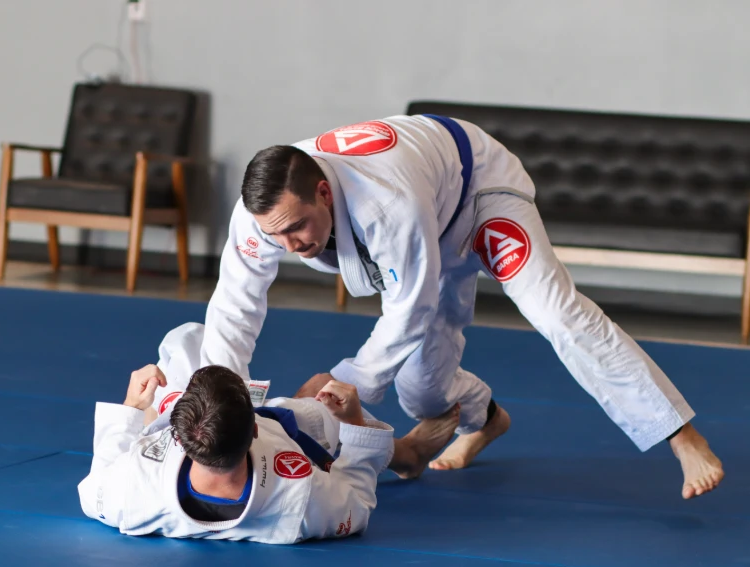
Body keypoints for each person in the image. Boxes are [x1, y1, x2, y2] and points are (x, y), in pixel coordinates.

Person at [198, 114, 724, 500]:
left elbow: (409, 306)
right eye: (277, 234)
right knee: (422, 392)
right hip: (420, 226)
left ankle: (681, 435)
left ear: (324, 192)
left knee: (556, 312)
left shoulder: (384, 202)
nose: (289, 245)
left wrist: (345, 378)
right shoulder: (261, 216)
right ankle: (487, 418)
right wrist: (215, 394)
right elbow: (235, 305)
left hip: (477, 196)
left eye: (298, 228)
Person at [77, 323, 460, 544]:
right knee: (324, 387)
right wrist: (356, 424)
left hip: (193, 447)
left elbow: (95, 485)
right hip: (294, 439)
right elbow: (358, 504)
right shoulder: (302, 498)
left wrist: (131, 405)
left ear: (181, 438)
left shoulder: (129, 495)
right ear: (255, 428)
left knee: (184, 344)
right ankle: (408, 454)